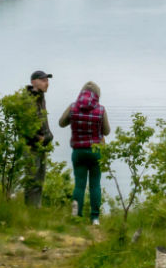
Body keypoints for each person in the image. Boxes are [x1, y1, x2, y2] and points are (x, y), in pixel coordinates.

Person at [59, 80, 110, 224]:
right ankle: (95, 218)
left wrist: (74, 118)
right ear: (97, 95)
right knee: (95, 185)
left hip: (78, 152)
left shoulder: (73, 107)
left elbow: (61, 123)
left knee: (79, 185)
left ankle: (76, 215)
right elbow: (106, 131)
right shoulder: (101, 110)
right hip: (96, 152)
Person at [22, 70, 54, 206]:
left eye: (47, 80)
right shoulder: (28, 99)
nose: (47, 83)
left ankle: (36, 210)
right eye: (43, 80)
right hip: (32, 147)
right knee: (32, 180)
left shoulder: (41, 98)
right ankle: (29, 210)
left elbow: (42, 121)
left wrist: (47, 137)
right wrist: (38, 139)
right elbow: (23, 125)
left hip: (42, 146)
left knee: (40, 180)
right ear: (34, 82)